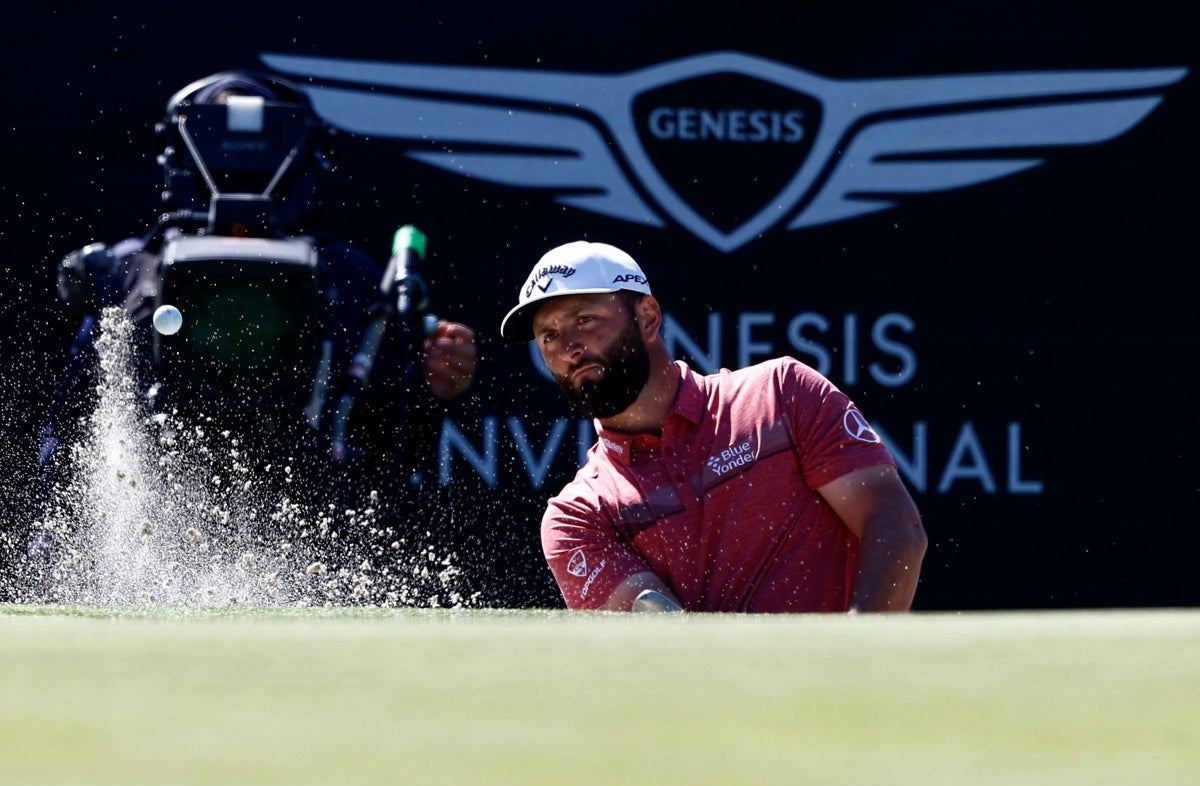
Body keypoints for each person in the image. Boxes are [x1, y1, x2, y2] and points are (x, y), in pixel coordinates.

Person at [18, 70, 476, 599]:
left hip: (313, 537)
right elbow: (72, 428)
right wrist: (52, 547)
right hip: (148, 522)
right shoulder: (127, 273)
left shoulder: (350, 277)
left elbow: (392, 449)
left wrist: (431, 391)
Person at [499, 240, 927, 613]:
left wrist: (854, 661)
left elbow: (895, 526)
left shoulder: (782, 392)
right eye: (548, 336)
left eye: (585, 319)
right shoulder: (576, 518)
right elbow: (663, 636)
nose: (569, 348)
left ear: (648, 317)